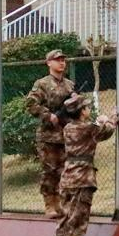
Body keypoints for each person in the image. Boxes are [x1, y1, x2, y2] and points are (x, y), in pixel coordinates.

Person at [51, 94, 118, 236]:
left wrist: (100, 122)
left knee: (65, 220)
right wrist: (110, 118)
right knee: (77, 222)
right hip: (82, 179)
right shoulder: (88, 128)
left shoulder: (68, 128)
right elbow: (107, 130)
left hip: (67, 178)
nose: (89, 110)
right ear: (81, 112)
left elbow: (94, 129)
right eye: (86, 107)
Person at [24, 49, 76, 218]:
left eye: (63, 60)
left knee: (64, 171)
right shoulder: (42, 84)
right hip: (48, 136)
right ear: (49, 63)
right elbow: (31, 104)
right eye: (57, 60)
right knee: (49, 171)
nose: (62, 63)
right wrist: (48, 116)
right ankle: (50, 204)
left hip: (65, 135)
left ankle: (60, 203)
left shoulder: (70, 85)